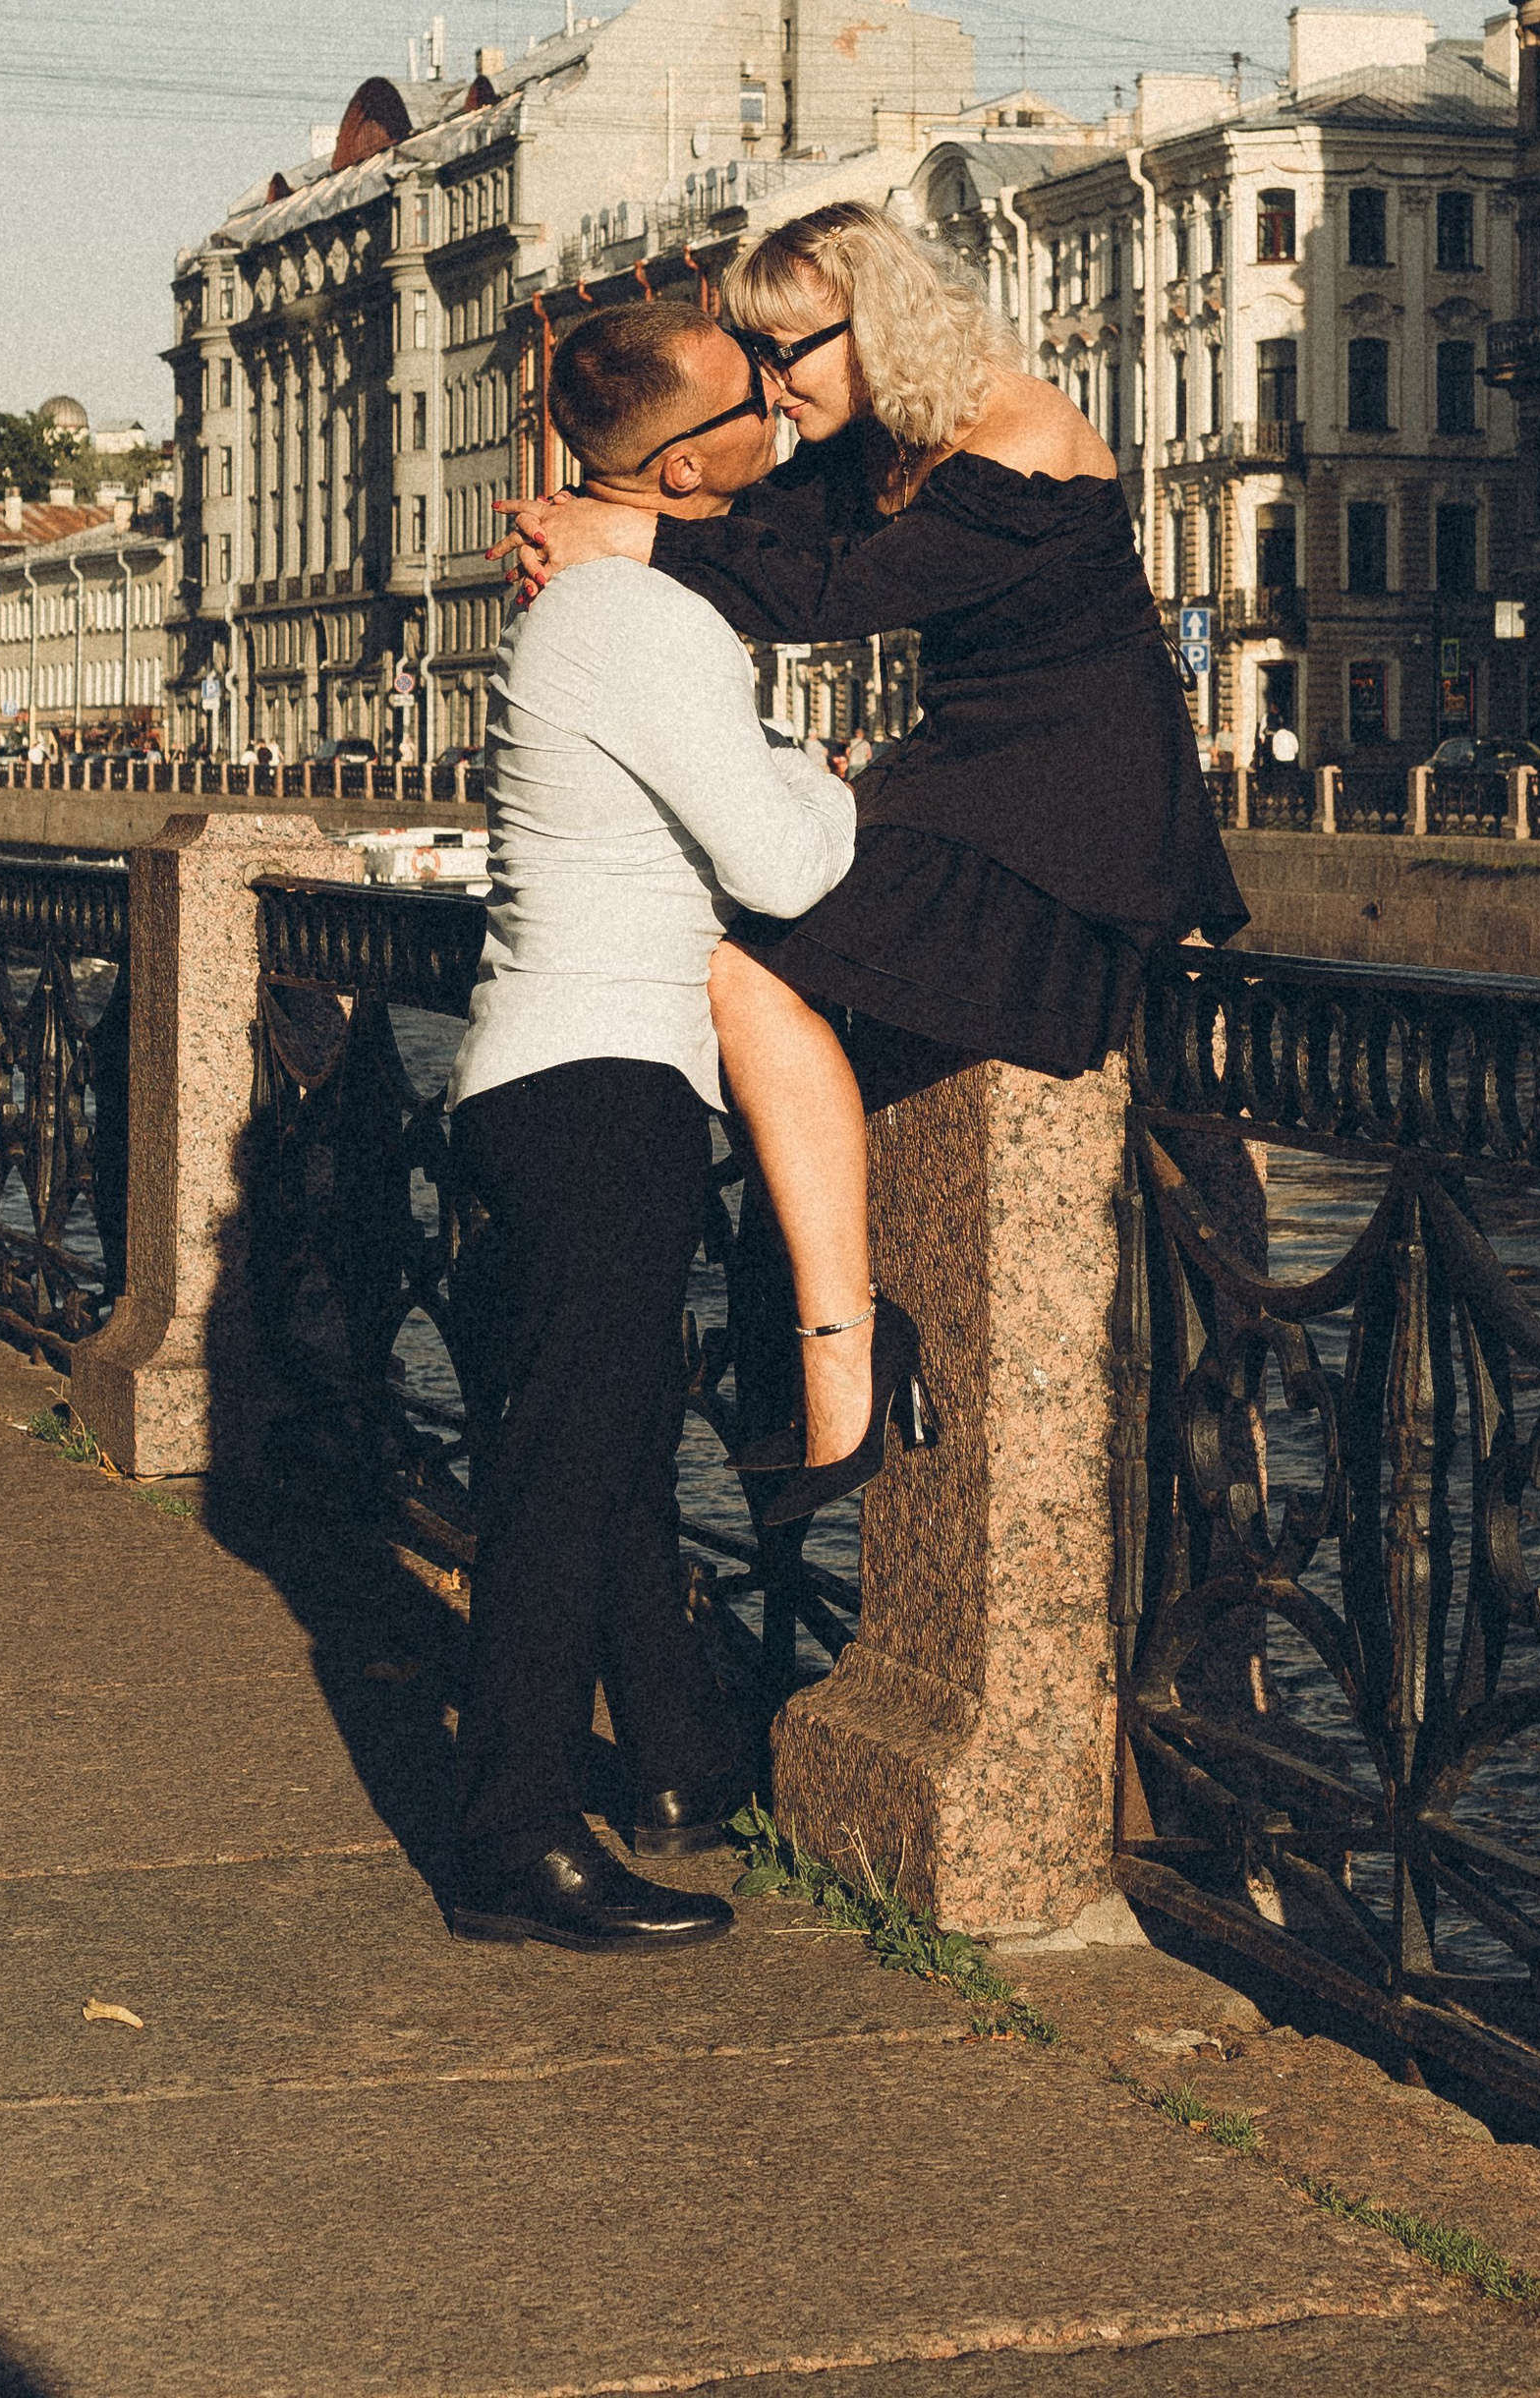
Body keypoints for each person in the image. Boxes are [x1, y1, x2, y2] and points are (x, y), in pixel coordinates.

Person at [508, 200, 1245, 1530]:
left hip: (1080, 818)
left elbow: (821, 600)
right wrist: (594, 522)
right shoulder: (874, 440)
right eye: (755, 357)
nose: (775, 389)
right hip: (968, 784)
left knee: (749, 964)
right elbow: (739, 519)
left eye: (788, 353)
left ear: (878, 324)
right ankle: (828, 1333)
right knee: (748, 952)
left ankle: (839, 1349)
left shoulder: (1024, 443)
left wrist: (633, 543)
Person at [447, 297, 858, 1954]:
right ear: (690, 469)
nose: (779, 410)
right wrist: (831, 774)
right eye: (751, 400)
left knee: (609, 1458)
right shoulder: (638, 623)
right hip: (608, 1087)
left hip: (541, 1080)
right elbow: (783, 866)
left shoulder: (595, 612)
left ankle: (677, 1762)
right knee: (567, 1469)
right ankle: (513, 1830)